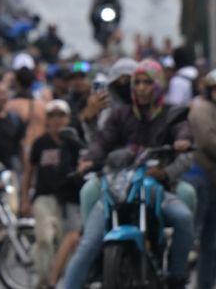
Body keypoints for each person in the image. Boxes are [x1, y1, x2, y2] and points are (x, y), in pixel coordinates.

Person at [64, 60, 195, 289]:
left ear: (159, 84)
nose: (141, 88)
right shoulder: (119, 114)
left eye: (147, 82)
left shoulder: (170, 112)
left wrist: (174, 156)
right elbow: (101, 141)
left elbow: (183, 132)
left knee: (183, 218)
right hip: (117, 185)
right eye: (137, 83)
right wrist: (89, 159)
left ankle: (177, 276)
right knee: (88, 245)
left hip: (155, 186)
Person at [20, 100, 83, 289]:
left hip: (68, 198)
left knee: (66, 242)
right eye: (52, 116)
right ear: (47, 119)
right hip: (44, 196)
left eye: (60, 115)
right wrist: (24, 199)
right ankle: (45, 281)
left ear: (67, 118)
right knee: (44, 238)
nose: (57, 120)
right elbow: (29, 172)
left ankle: (56, 279)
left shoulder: (74, 141)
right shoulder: (40, 143)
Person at [189, 70, 216, 289]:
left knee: (211, 241)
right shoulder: (202, 110)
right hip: (201, 179)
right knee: (193, 234)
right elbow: (208, 142)